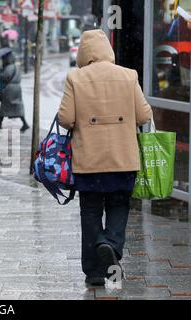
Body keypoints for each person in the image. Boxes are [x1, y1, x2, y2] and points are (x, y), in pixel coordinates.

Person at [57, 30, 152, 287]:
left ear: (83, 53)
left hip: (89, 161)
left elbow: (65, 119)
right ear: (108, 50)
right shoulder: (128, 75)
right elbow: (144, 116)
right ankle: (109, 242)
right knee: (119, 206)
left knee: (90, 211)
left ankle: (94, 272)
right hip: (123, 159)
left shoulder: (75, 78)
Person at [0, 52, 30, 132]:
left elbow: (4, 77)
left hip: (9, 89)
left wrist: (0, 71)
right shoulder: (16, 67)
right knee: (18, 106)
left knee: (4, 106)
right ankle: (24, 123)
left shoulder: (9, 67)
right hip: (17, 88)